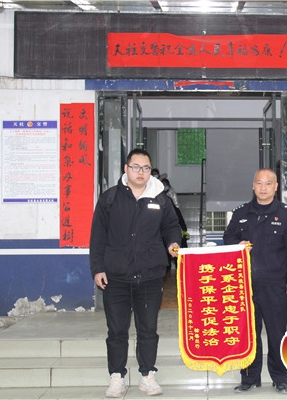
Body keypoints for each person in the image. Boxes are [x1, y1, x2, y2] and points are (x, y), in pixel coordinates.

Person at [90, 148, 181, 398]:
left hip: (150, 276)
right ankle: (116, 376)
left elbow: (171, 226)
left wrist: (173, 243)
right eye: (136, 167)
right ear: (126, 169)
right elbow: (97, 236)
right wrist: (97, 268)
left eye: (146, 168)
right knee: (117, 330)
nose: (141, 172)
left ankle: (147, 375)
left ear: (151, 170)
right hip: (116, 276)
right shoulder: (110, 198)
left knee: (148, 329)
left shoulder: (160, 199)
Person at [223, 168, 287, 395]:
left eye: (268, 183)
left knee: (277, 333)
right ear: (253, 185)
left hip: (275, 285)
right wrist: (236, 244)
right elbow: (228, 237)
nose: (263, 187)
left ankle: (280, 378)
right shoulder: (241, 213)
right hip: (244, 285)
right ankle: (249, 378)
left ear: (276, 187)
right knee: (248, 334)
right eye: (259, 183)